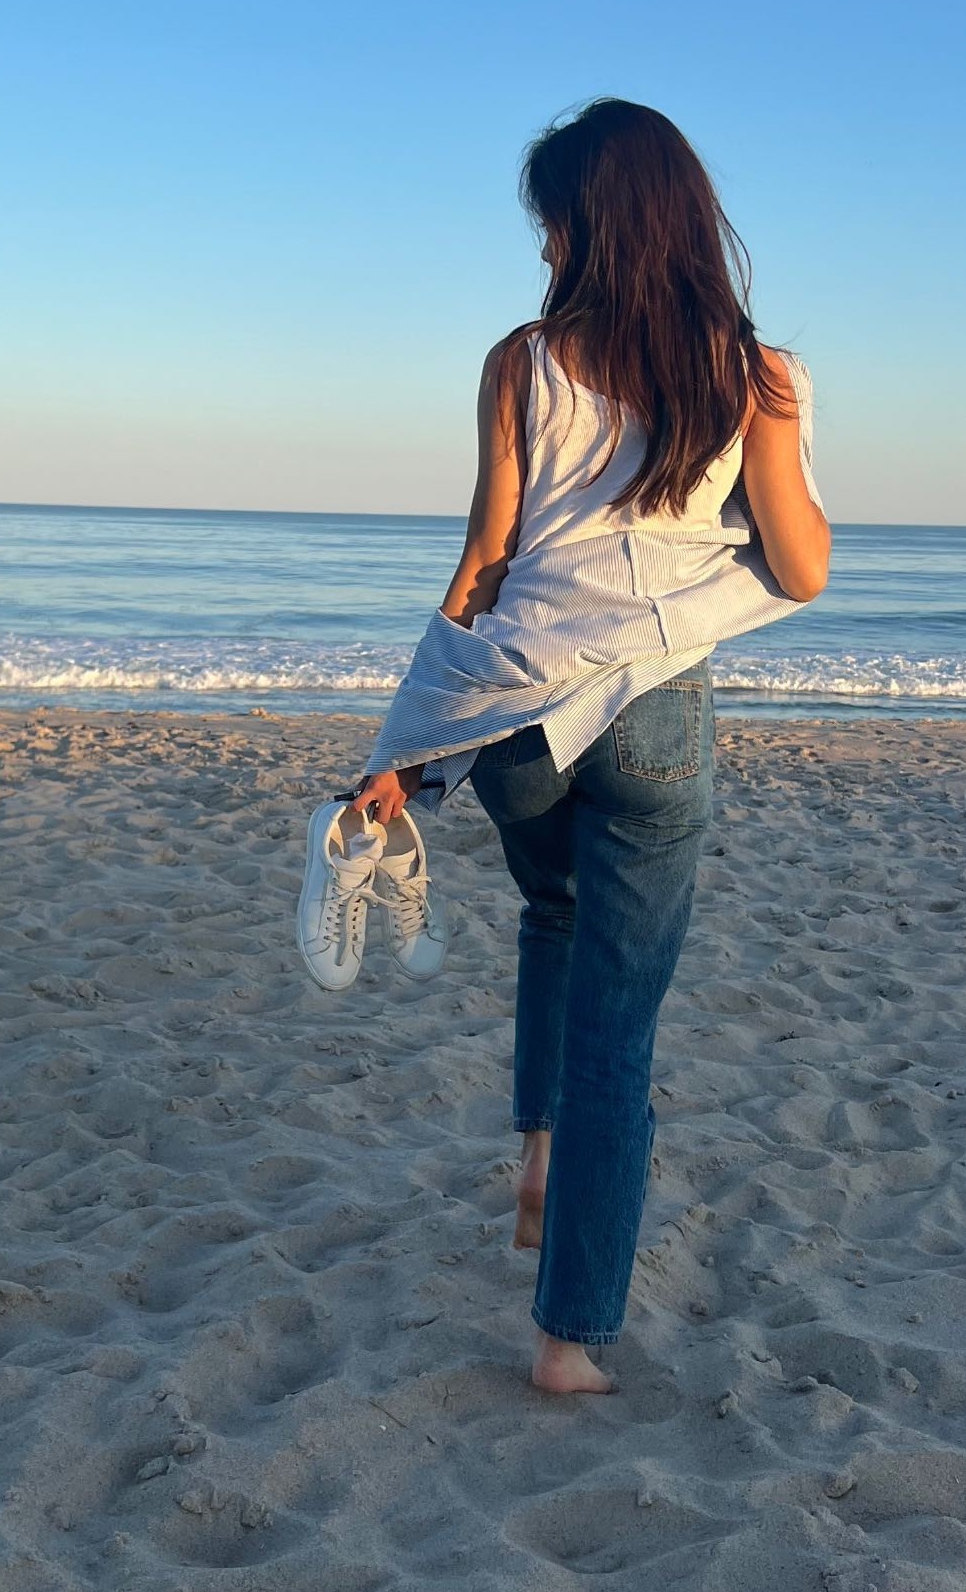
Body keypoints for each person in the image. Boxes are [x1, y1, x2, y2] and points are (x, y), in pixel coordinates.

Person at [352, 98, 830, 1397]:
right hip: (656, 711)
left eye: (553, 217)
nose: (544, 240)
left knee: (551, 913)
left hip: (514, 714)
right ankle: (567, 1344)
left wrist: (408, 745)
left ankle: (540, 1146)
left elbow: (486, 561)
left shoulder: (521, 362)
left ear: (593, 222)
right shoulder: (755, 375)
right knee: (618, 1033)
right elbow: (801, 566)